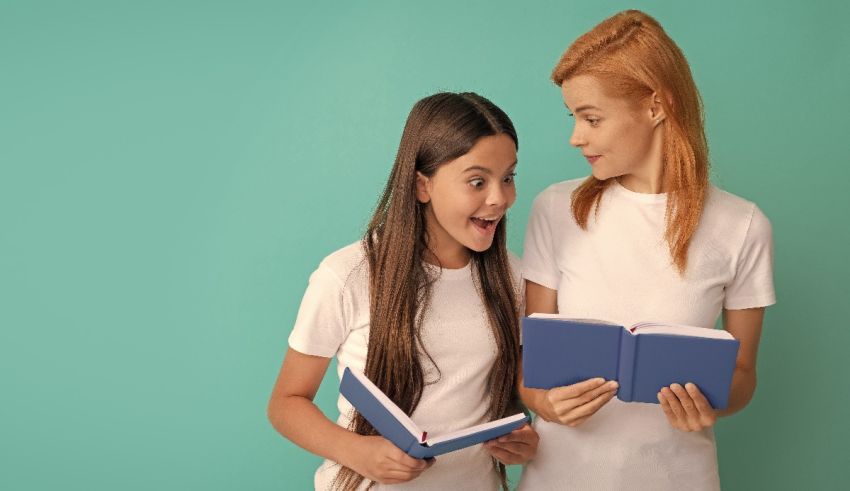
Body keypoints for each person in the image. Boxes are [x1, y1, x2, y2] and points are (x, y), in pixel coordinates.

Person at [517, 10, 775, 490]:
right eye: (573, 117)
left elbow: (743, 375)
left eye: (591, 118)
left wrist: (712, 404)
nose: (576, 136)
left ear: (656, 106)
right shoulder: (555, 209)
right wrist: (543, 402)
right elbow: (531, 364)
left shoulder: (742, 226)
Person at [268, 92, 539, 490]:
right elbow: (286, 403)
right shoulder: (348, 275)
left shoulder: (514, 279)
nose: (500, 198)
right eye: (477, 181)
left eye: (509, 177)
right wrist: (355, 451)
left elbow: (516, 394)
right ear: (421, 185)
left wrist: (526, 442)